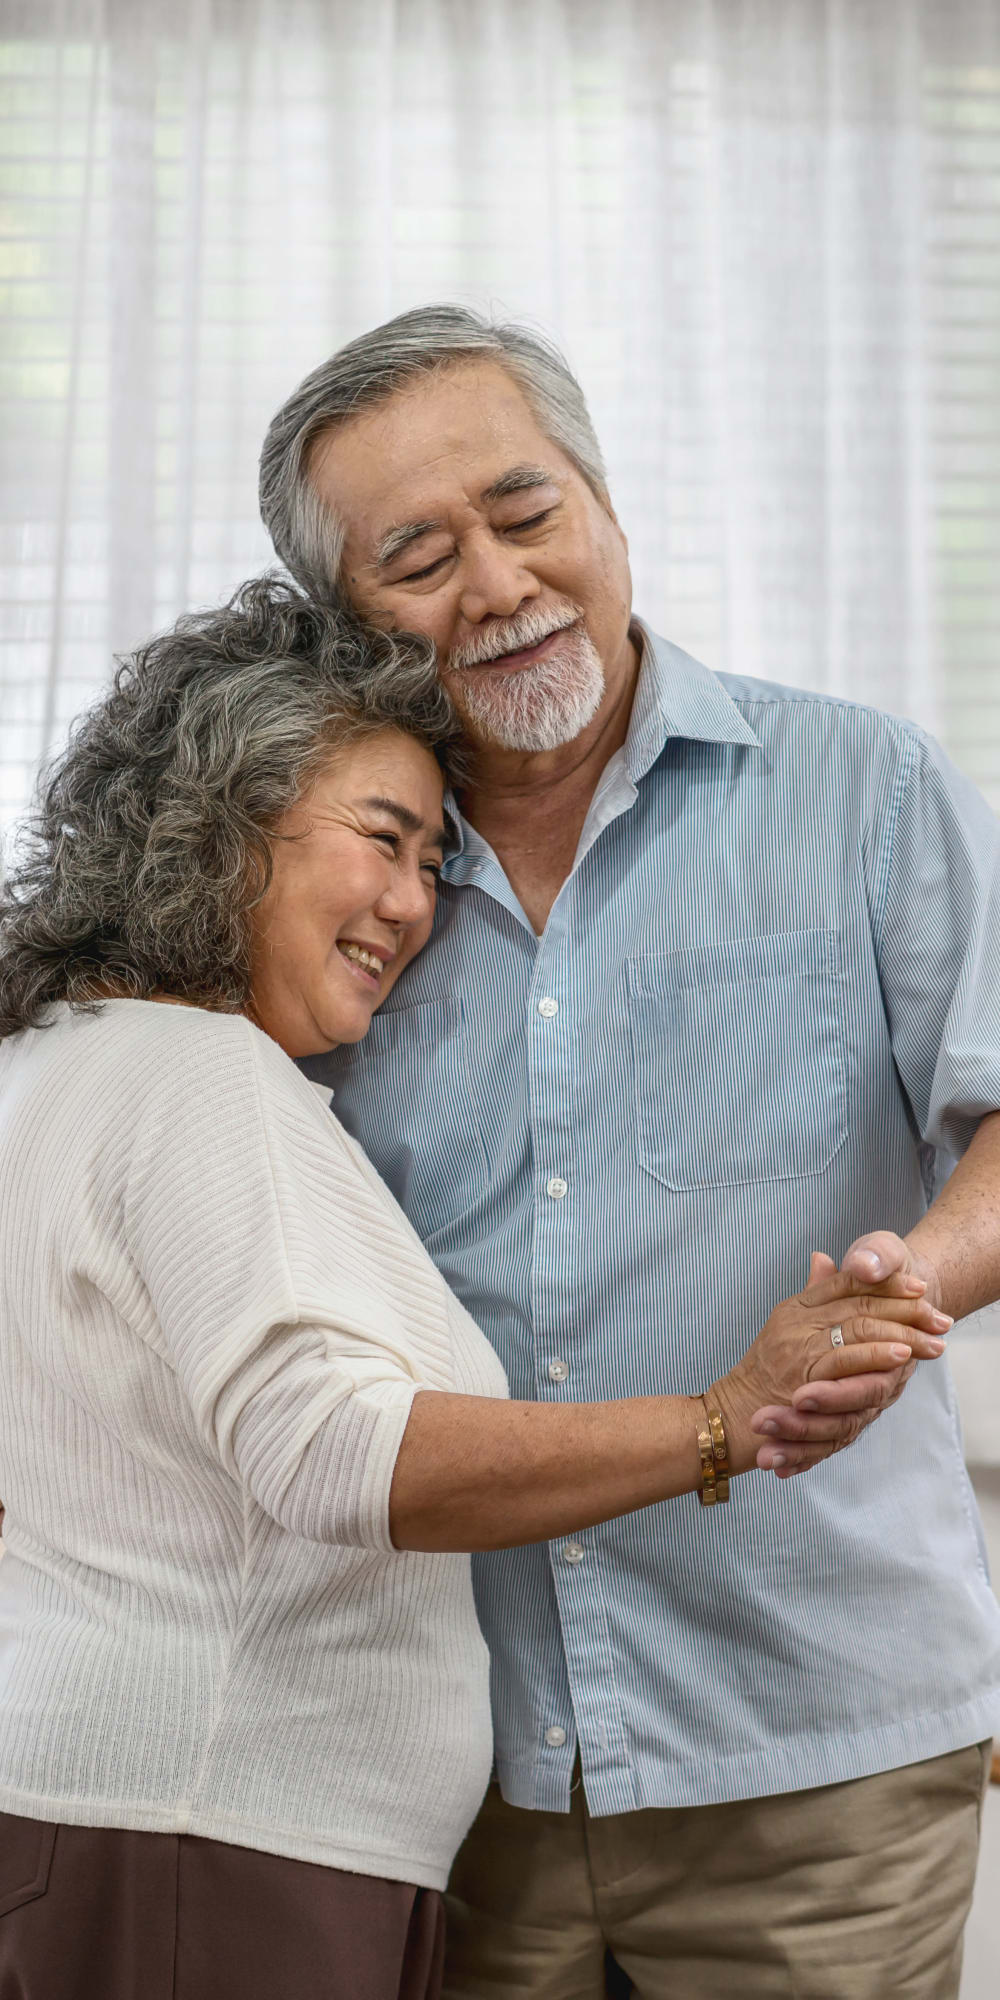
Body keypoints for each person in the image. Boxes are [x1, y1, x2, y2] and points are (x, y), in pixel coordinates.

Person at [0, 579, 933, 2000]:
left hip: (130, 1816)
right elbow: (335, 1452)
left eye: (435, 862)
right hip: (217, 1841)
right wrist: (721, 1419)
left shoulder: (58, 1060)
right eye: (384, 840)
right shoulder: (202, 1082)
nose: (411, 907)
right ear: (219, 818)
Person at [258, 305, 1000, 2000]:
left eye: (527, 513)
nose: (501, 583)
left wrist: (911, 1283)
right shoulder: (330, 885)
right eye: (419, 558)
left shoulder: (863, 787)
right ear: (345, 626)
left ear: (600, 499)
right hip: (451, 1763)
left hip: (817, 1749)